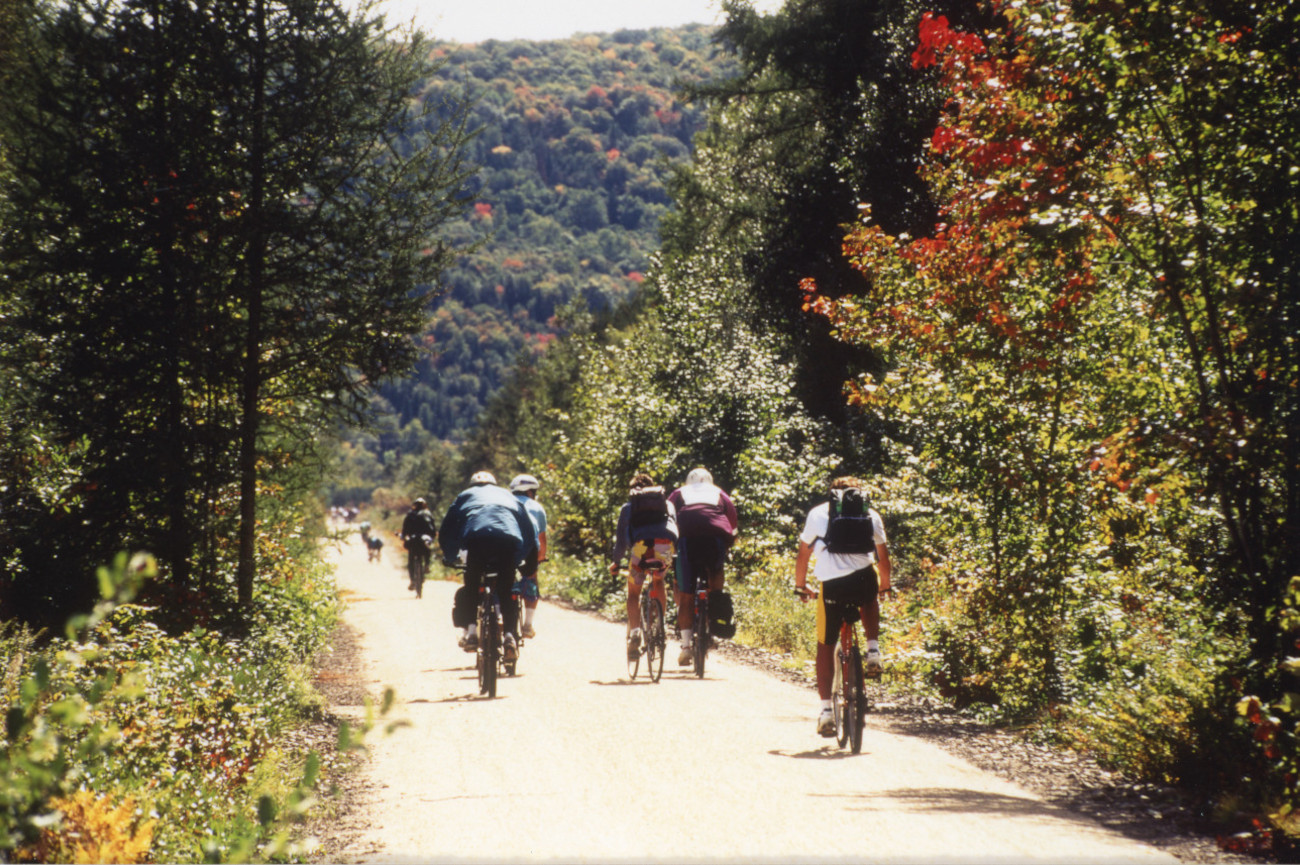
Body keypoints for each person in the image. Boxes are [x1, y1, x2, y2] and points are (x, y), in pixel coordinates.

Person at [794, 476, 892, 737]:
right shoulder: (870, 514)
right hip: (863, 579)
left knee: (825, 645)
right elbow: (883, 557)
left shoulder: (817, 514)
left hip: (832, 586)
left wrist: (800, 585)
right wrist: (885, 585)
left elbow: (803, 553)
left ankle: (826, 712)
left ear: (832, 494)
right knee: (869, 597)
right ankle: (873, 650)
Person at [439, 471, 538, 661]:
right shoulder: (507, 495)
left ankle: (472, 634)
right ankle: (509, 635)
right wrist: (523, 561)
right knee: (506, 589)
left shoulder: (465, 496)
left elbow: (447, 529)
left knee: (471, 586)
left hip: (477, 542)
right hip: (507, 542)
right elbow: (528, 531)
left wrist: (450, 556)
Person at [667, 467, 738, 666]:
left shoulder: (678, 493)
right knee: (716, 574)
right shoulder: (720, 494)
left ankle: (686, 648)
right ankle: (715, 598)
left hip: (687, 539)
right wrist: (726, 548)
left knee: (687, 595)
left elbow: (667, 519)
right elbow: (732, 526)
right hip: (714, 540)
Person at [608, 473, 679, 660]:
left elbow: (622, 540)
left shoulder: (628, 507)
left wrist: (616, 561)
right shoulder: (667, 504)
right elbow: (673, 526)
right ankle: (660, 628)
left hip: (641, 548)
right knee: (659, 579)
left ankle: (635, 634)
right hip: (664, 544)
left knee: (633, 592)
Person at [509, 473, 548, 639]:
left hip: (507, 547)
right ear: (530, 492)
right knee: (531, 579)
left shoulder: (505, 502)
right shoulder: (537, 506)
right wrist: (541, 557)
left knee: (503, 579)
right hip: (529, 550)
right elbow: (542, 538)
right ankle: (527, 625)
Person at [399, 498, 437, 593]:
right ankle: (427, 565)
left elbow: (405, 529)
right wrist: (432, 537)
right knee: (427, 549)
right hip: (425, 539)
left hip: (413, 540)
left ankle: (412, 580)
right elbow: (433, 529)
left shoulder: (410, 514)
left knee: (411, 560)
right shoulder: (428, 513)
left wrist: (403, 536)